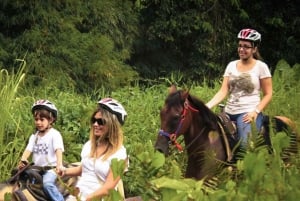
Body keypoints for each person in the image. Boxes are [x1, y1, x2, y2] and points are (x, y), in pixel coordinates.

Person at [206, 28, 272, 147]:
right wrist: (208, 106)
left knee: (244, 146)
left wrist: (255, 112)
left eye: (246, 46)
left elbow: (268, 94)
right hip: (228, 112)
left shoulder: (261, 67)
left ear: (254, 49)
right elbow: (223, 91)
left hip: (248, 113)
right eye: (240, 45)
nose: (241, 49)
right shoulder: (231, 65)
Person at [61, 98, 128, 201]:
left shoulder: (119, 155)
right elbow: (84, 169)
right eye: (94, 120)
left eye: (100, 121)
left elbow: (108, 188)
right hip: (78, 196)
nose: (95, 124)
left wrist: (87, 198)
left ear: (112, 125)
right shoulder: (89, 146)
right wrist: (64, 171)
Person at [18, 99, 65, 201]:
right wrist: (23, 159)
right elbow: (28, 150)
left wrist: (59, 164)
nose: (38, 122)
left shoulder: (54, 134)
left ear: (51, 120)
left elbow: (58, 150)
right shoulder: (34, 136)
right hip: (36, 169)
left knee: (47, 184)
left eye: (42, 119)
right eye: (36, 119)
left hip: (50, 169)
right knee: (23, 183)